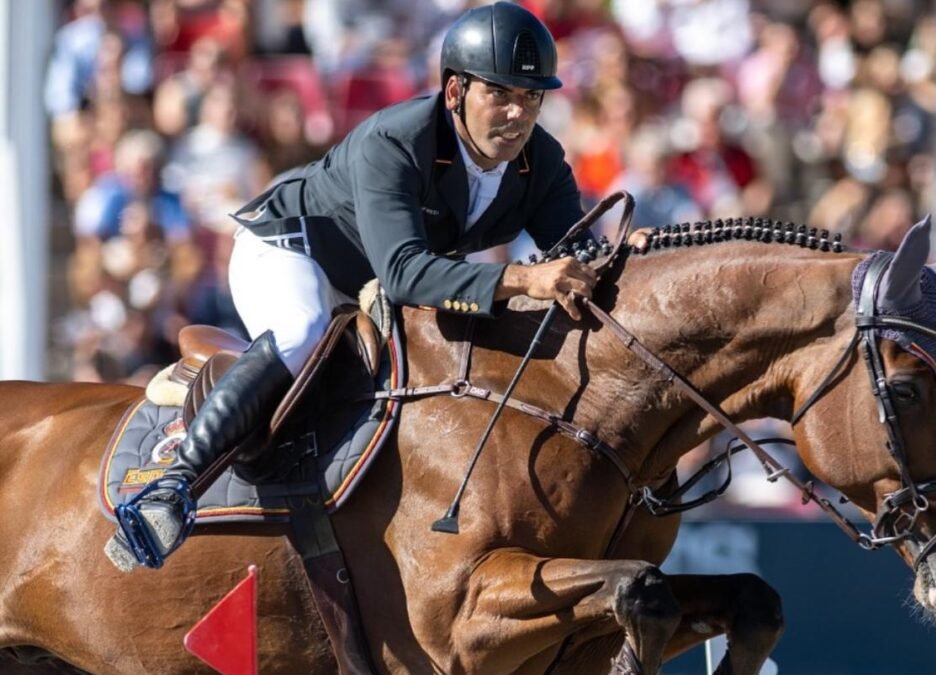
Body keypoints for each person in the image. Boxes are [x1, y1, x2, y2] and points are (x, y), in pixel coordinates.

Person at [106, 1, 647, 572]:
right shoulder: (396, 140)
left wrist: (625, 260)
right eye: (502, 94)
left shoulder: (541, 161)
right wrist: (520, 277)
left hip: (371, 283)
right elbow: (406, 273)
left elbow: (578, 251)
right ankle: (172, 487)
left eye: (532, 97)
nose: (519, 113)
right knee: (303, 330)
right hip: (290, 251)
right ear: (456, 91)